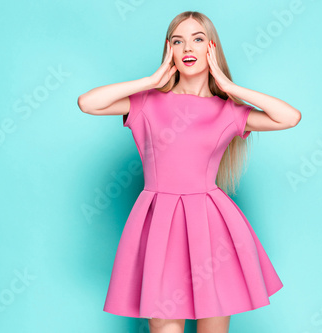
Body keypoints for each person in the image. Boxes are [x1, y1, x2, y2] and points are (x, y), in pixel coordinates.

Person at [78, 10, 301, 333]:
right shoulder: (146, 103)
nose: (188, 48)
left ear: (211, 47)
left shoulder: (228, 110)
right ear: (169, 49)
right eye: (178, 41)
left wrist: (229, 87)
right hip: (158, 225)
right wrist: (151, 81)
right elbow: (88, 103)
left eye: (197, 39)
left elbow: (289, 117)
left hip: (213, 227)